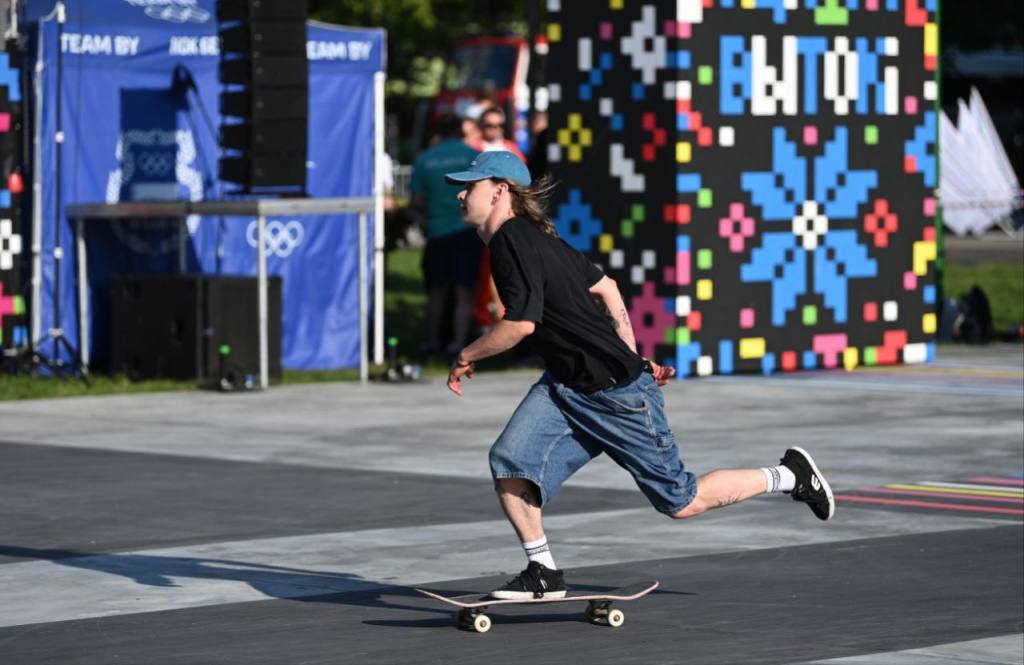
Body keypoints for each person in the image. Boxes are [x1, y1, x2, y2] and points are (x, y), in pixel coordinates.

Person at [443, 151, 835, 600]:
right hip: (566, 387)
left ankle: (789, 475)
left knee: (681, 502)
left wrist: (467, 354)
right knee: (512, 463)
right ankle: (543, 572)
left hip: (616, 397)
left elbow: (521, 325)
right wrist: (632, 355)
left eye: (470, 185)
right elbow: (606, 288)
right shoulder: (536, 238)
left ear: (500, 191)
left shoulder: (513, 240)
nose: (460, 193)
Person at [410, 114, 483, 358]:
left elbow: (417, 200)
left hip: (437, 231)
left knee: (437, 291)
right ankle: (459, 343)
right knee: (464, 291)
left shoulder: (424, 159)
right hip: (466, 230)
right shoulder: (472, 155)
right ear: (461, 132)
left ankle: (432, 342)